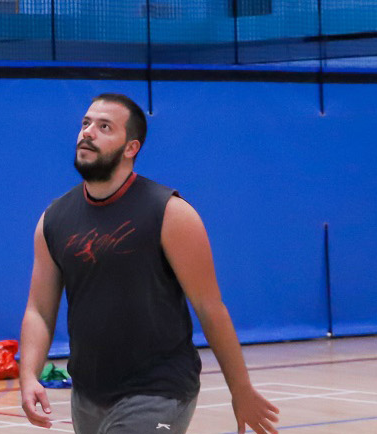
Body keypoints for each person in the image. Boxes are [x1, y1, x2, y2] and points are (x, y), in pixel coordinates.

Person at [17, 94, 278, 434]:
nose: (88, 133)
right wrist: (27, 376)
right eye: (85, 124)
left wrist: (240, 389)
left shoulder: (170, 213)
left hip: (158, 390)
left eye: (104, 127)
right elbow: (38, 309)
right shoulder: (53, 219)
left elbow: (210, 308)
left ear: (131, 148)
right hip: (88, 394)